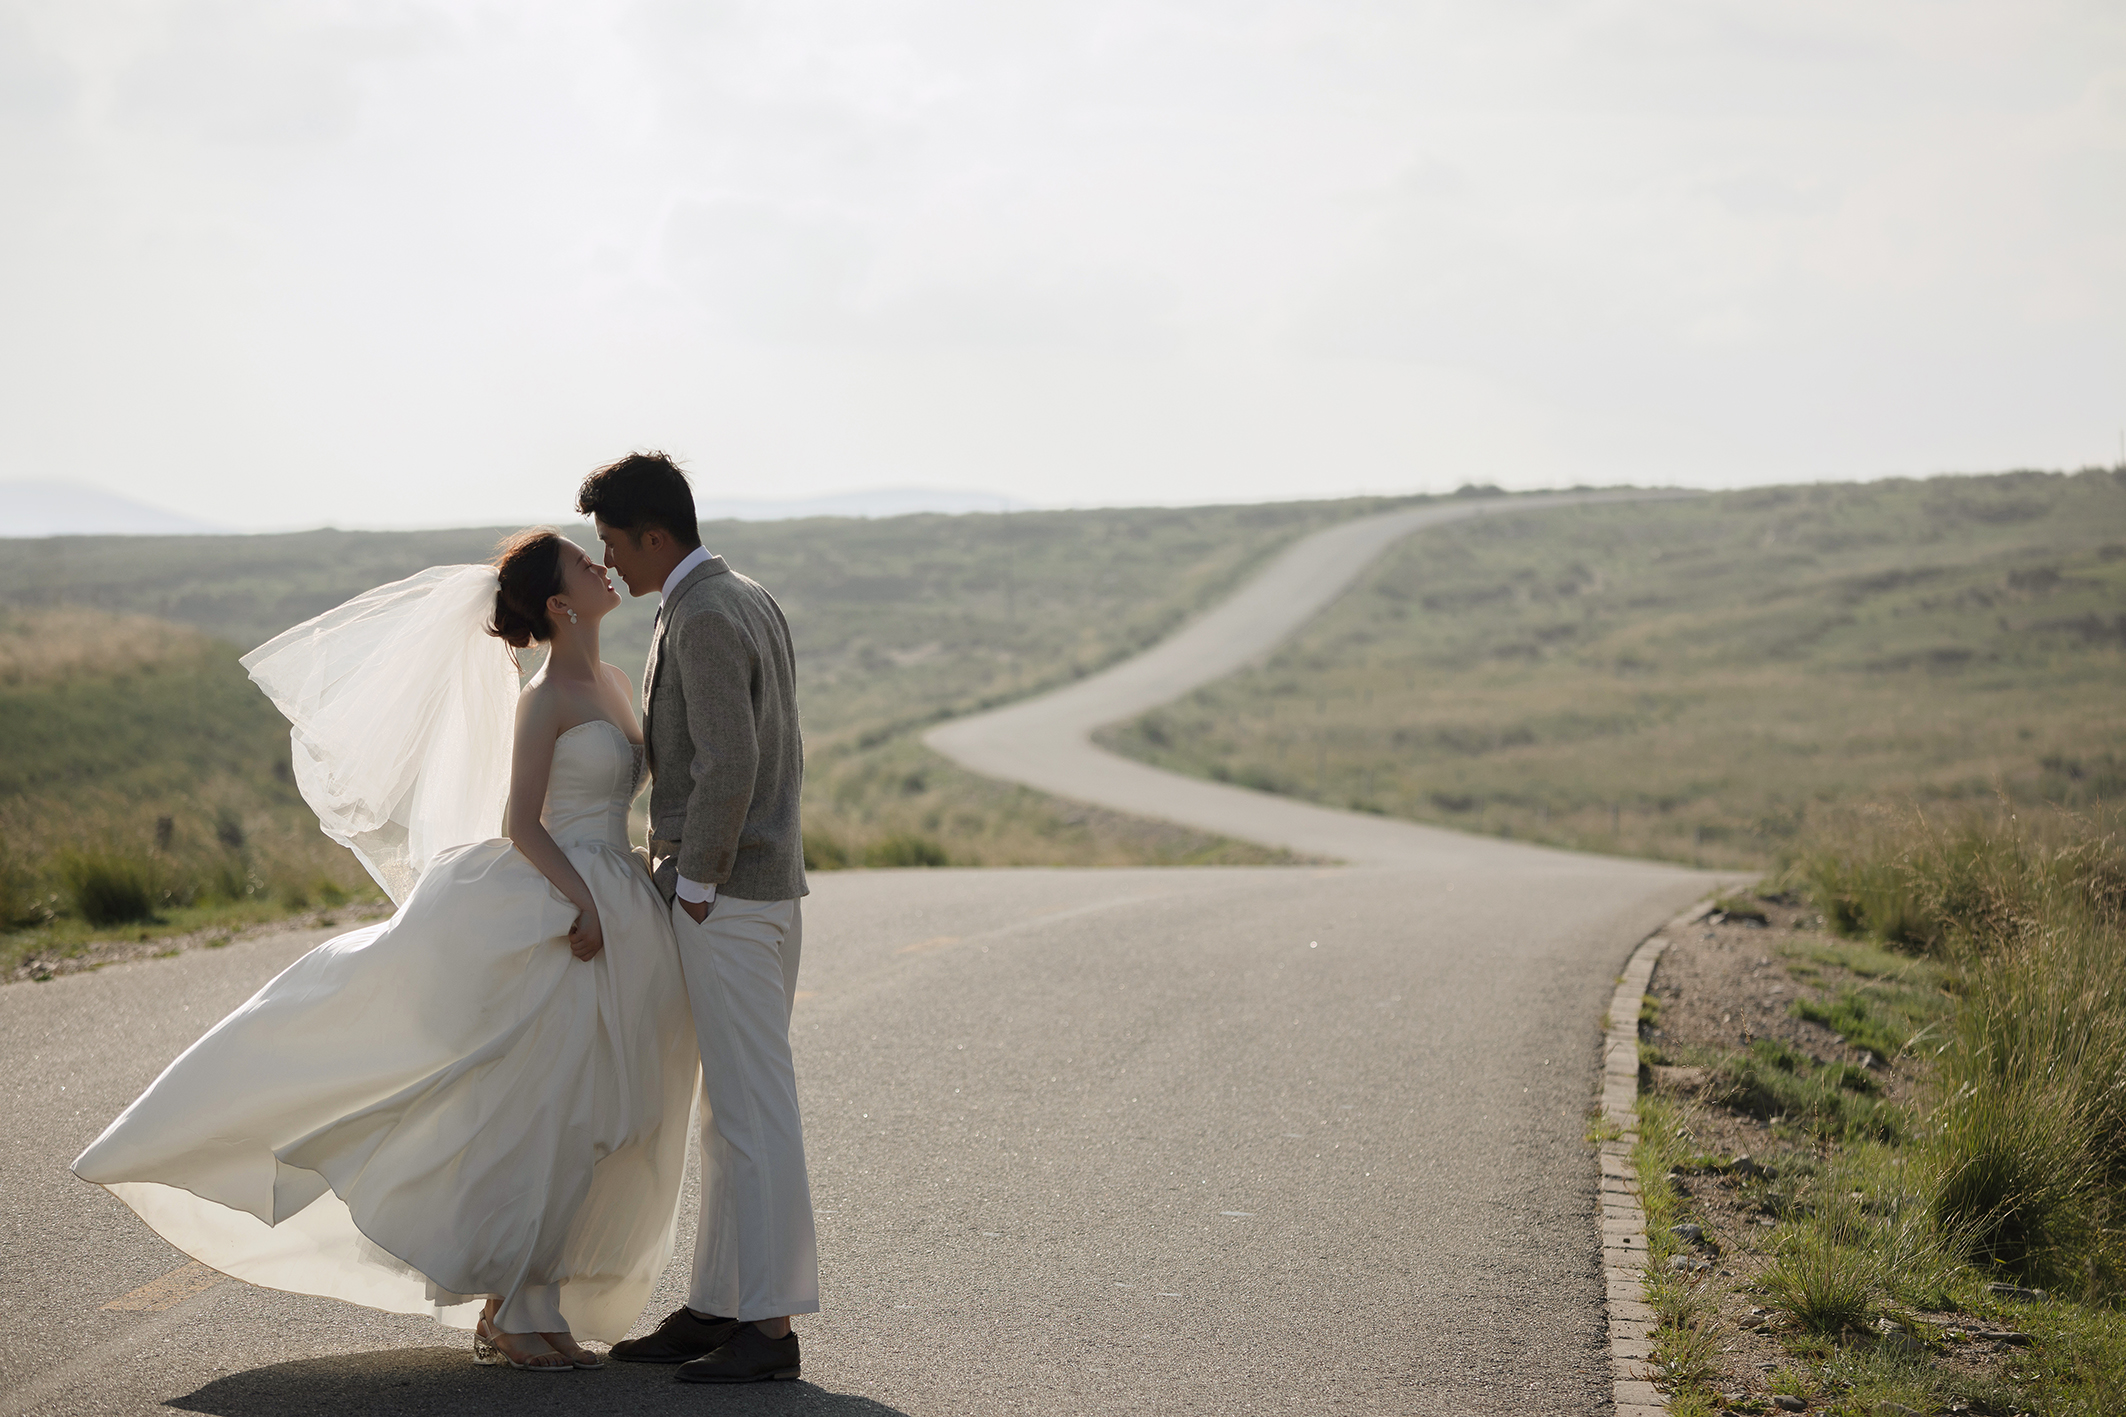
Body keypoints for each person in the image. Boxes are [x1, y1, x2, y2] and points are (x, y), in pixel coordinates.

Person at [72, 531, 698, 1373]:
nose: (602, 566)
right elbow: (520, 824)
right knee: (540, 1105)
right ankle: (514, 1306)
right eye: (585, 565)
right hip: (559, 901)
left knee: (592, 1110)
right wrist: (581, 901)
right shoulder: (544, 696)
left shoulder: (619, 683)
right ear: (557, 604)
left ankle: (532, 1299)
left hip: (616, 898)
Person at [578, 452, 819, 1385]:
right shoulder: (735, 593)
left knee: (754, 1109)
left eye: (613, 544)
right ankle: (722, 1303)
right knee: (731, 1109)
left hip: (734, 896)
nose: (611, 565)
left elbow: (733, 759)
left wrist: (699, 881)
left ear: (653, 533)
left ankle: (770, 1326)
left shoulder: (711, 612)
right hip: (753, 891)